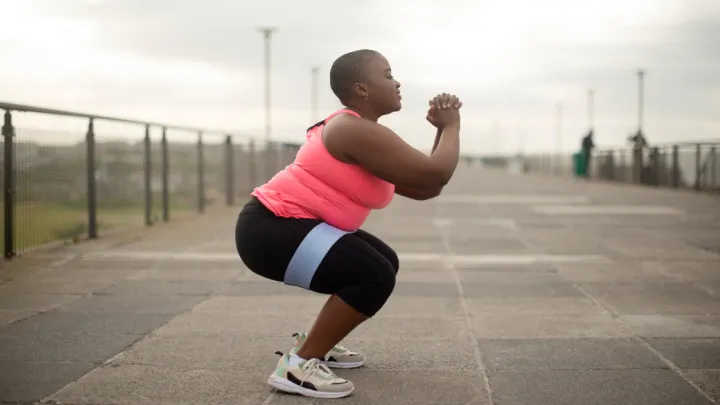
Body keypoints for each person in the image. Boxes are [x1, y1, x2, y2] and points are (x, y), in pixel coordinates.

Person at [234, 49, 463, 399]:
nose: (397, 81)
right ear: (362, 89)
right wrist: (451, 126)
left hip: (279, 227)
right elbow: (437, 172)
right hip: (271, 229)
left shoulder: (364, 133)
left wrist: (441, 133)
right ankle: (298, 367)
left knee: (382, 259)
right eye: (387, 75)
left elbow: (426, 187)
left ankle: (316, 346)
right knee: (373, 273)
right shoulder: (350, 129)